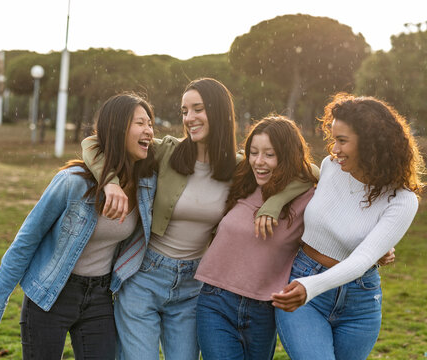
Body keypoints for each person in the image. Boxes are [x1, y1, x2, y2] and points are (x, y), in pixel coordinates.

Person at [81, 78, 312, 360]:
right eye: (184, 111)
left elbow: (308, 173)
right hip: (145, 276)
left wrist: (275, 202)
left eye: (197, 109)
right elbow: (94, 143)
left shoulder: (241, 167)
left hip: (193, 285)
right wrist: (110, 183)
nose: (189, 118)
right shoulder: (166, 150)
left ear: (218, 112)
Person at [0, 93, 158, 360]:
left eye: (150, 123)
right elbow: (26, 241)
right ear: (118, 129)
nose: (149, 130)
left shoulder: (146, 185)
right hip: (49, 294)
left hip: (100, 297)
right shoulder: (72, 182)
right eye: (140, 123)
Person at [271, 93, 426, 360]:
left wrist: (313, 285)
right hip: (304, 285)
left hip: (360, 302)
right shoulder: (330, 168)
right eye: (334, 139)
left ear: (371, 144)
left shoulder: (402, 200)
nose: (334, 149)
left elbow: (364, 258)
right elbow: (290, 179)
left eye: (342, 141)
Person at [194, 116, 317, 360]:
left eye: (269, 155)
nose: (258, 162)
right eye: (253, 152)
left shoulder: (309, 198)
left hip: (264, 308)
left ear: (288, 156)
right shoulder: (241, 179)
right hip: (215, 301)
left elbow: (317, 173)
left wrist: (277, 200)